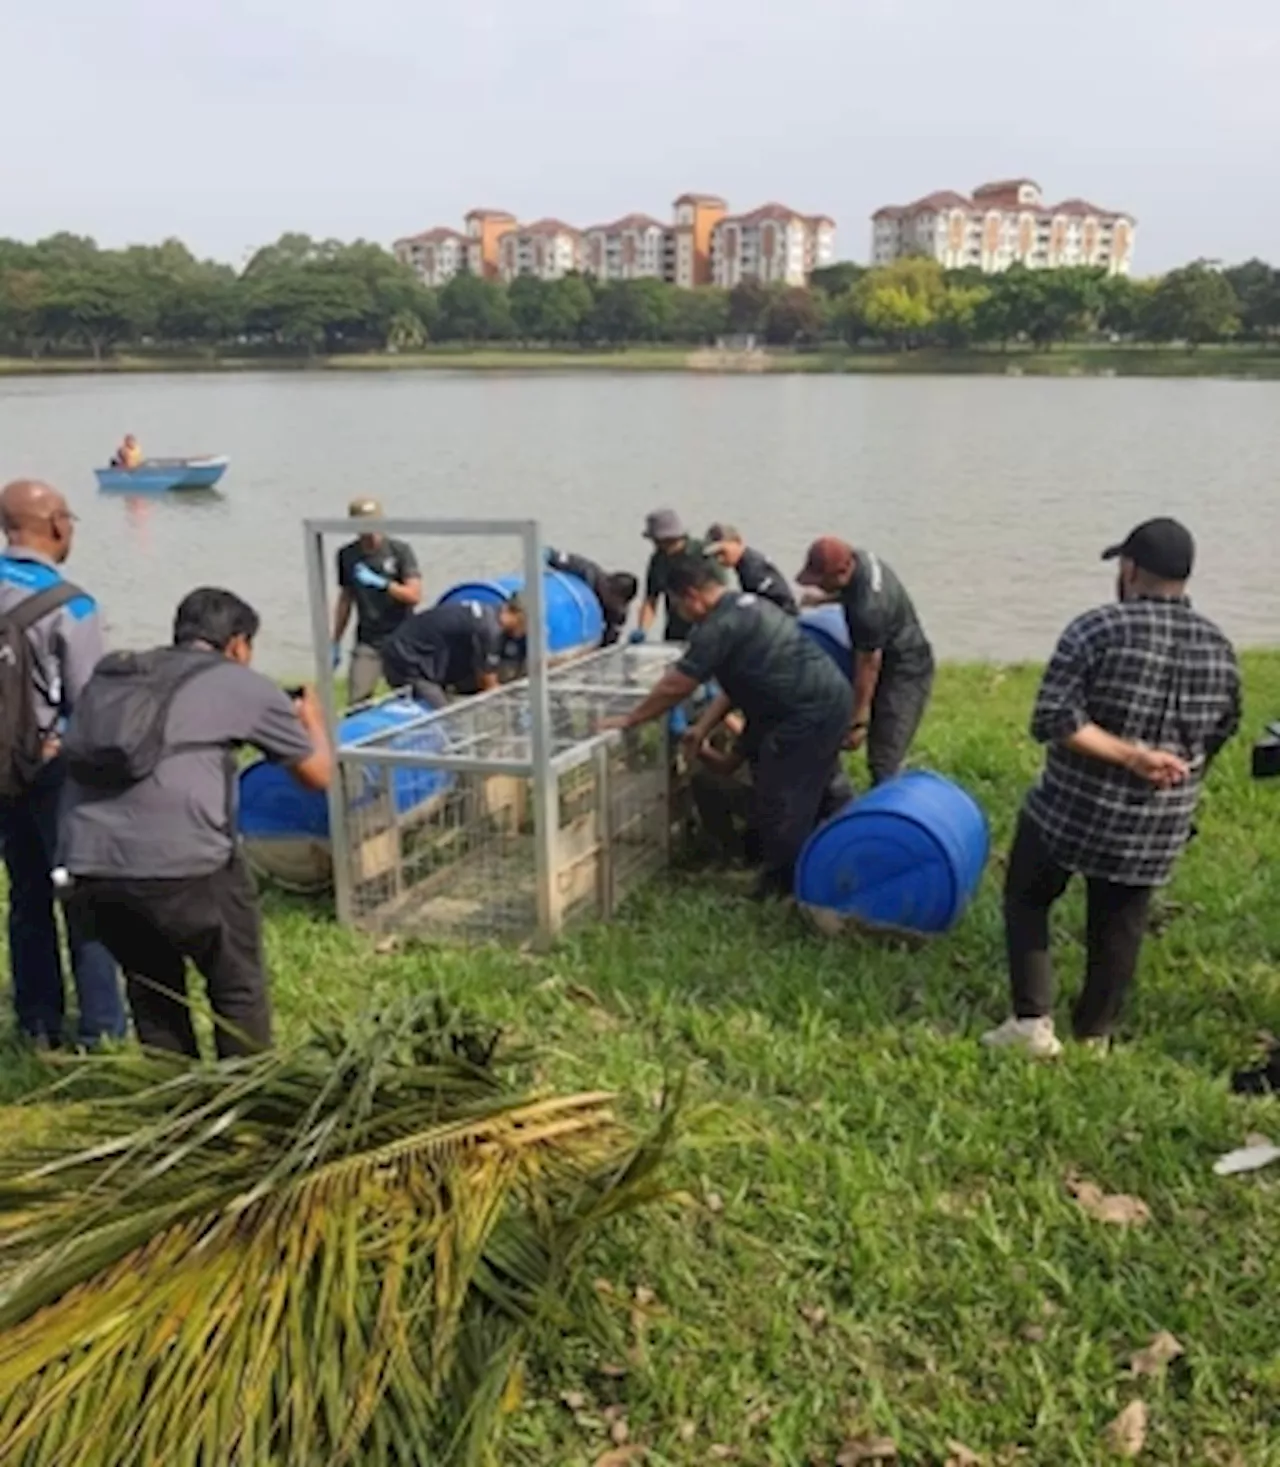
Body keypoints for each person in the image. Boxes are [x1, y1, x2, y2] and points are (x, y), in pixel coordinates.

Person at [983, 518, 1240, 1059]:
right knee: (1120, 921)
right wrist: (1172, 775)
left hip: (1073, 809)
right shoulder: (1220, 647)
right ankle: (1094, 1035)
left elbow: (1054, 718)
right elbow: (1223, 729)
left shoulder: (1096, 629)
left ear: (1130, 571)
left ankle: (1032, 1021)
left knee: (1027, 896)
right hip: (1158, 821)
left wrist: (1131, 755)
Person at [59, 588, 332, 1060]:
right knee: (236, 985)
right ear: (239, 645)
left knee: (153, 993)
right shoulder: (239, 682)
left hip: (90, 868)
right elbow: (317, 775)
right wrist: (313, 721)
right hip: (187, 868)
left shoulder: (118, 675)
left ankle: (176, 1108)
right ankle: (243, 1105)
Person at [603, 557, 852, 898]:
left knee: (782, 801)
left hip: (803, 715)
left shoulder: (719, 626)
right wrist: (702, 729)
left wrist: (632, 718)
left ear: (691, 596)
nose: (678, 612)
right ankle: (841, 853)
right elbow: (736, 686)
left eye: (676, 604)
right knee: (817, 786)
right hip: (824, 701)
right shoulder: (747, 605)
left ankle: (784, 888)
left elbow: (677, 685)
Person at [0, 480, 125, 1049]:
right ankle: (100, 1029)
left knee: (25, 896)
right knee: (79, 894)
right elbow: (90, 705)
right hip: (52, 772)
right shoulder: (71, 605)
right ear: (54, 524)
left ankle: (37, 1022)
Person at [796, 536, 934, 784]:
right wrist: (823, 601)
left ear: (841, 572)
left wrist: (858, 720)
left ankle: (891, 810)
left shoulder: (868, 611)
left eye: (821, 582)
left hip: (906, 669)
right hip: (886, 648)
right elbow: (852, 591)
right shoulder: (857, 559)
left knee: (884, 759)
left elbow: (868, 665)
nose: (816, 587)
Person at [332, 497, 422, 705]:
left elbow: (414, 595)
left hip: (402, 637)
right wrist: (335, 640)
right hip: (369, 640)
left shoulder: (400, 551)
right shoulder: (347, 555)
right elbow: (346, 598)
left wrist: (383, 584)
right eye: (363, 523)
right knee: (357, 701)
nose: (369, 529)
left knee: (411, 698)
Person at [380, 595, 527, 708]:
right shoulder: (490, 630)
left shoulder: (490, 611)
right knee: (447, 718)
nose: (527, 630)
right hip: (406, 659)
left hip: (418, 651)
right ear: (520, 616)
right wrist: (514, 707)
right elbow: (489, 686)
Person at [635, 509, 721, 644]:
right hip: (675, 632)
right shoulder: (658, 560)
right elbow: (651, 599)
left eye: (657, 541)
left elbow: (721, 593)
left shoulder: (703, 553)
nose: (655, 545)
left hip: (707, 627)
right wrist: (642, 630)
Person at [545, 546, 639, 647]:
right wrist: (550, 555)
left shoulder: (618, 613)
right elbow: (563, 558)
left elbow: (609, 644)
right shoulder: (590, 573)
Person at [705, 523, 798, 616]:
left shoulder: (753, 569)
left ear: (738, 541)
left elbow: (777, 601)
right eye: (715, 555)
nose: (719, 559)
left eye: (722, 552)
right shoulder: (746, 563)